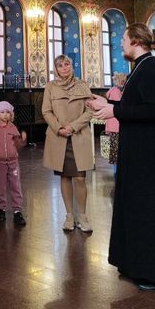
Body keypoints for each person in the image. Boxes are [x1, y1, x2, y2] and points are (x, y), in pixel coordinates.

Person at [87, 23, 155, 291]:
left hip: (149, 154)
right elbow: (134, 106)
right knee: (136, 208)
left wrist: (114, 111)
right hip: (138, 150)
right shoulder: (140, 67)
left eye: (123, 39)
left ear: (135, 40)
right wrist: (108, 105)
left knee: (150, 211)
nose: (120, 43)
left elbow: (153, 111)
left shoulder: (151, 69)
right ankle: (136, 265)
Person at [42, 55, 94, 233]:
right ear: (56, 69)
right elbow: (46, 111)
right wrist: (59, 128)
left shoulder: (82, 84)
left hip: (78, 136)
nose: (64, 68)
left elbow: (90, 110)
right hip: (59, 137)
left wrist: (73, 126)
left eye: (67, 64)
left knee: (80, 178)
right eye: (60, 65)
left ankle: (83, 216)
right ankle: (69, 215)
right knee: (65, 177)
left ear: (72, 66)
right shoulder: (51, 86)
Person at [0, 101, 27, 227]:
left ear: (11, 115)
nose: (5, 115)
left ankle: (17, 211)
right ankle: (1, 209)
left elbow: (18, 145)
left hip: (13, 163)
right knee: (1, 187)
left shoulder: (13, 128)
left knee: (16, 186)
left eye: (7, 112)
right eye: (2, 112)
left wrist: (22, 140)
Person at [103, 72, 127, 172]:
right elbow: (120, 106)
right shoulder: (116, 92)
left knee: (115, 149)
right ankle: (117, 172)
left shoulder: (112, 90)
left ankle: (116, 171)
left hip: (112, 125)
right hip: (116, 125)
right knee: (117, 151)